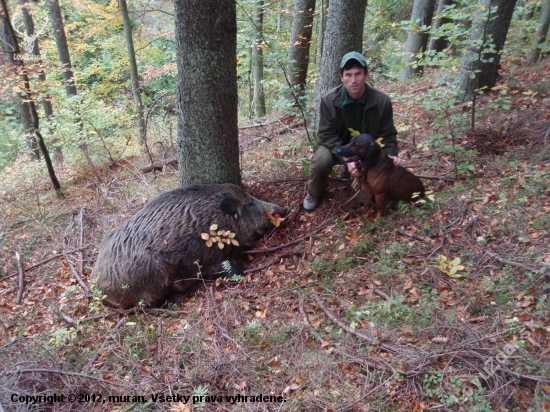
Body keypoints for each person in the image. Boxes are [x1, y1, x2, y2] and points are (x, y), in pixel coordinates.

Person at [303, 51, 405, 212]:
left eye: (358, 74)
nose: (353, 80)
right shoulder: (329, 100)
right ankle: (315, 192)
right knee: (320, 160)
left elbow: (388, 136)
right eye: (348, 75)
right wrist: (347, 158)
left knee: (366, 201)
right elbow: (326, 135)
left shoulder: (382, 101)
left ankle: (357, 179)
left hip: (368, 150)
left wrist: (391, 155)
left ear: (366, 75)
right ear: (341, 77)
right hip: (339, 147)